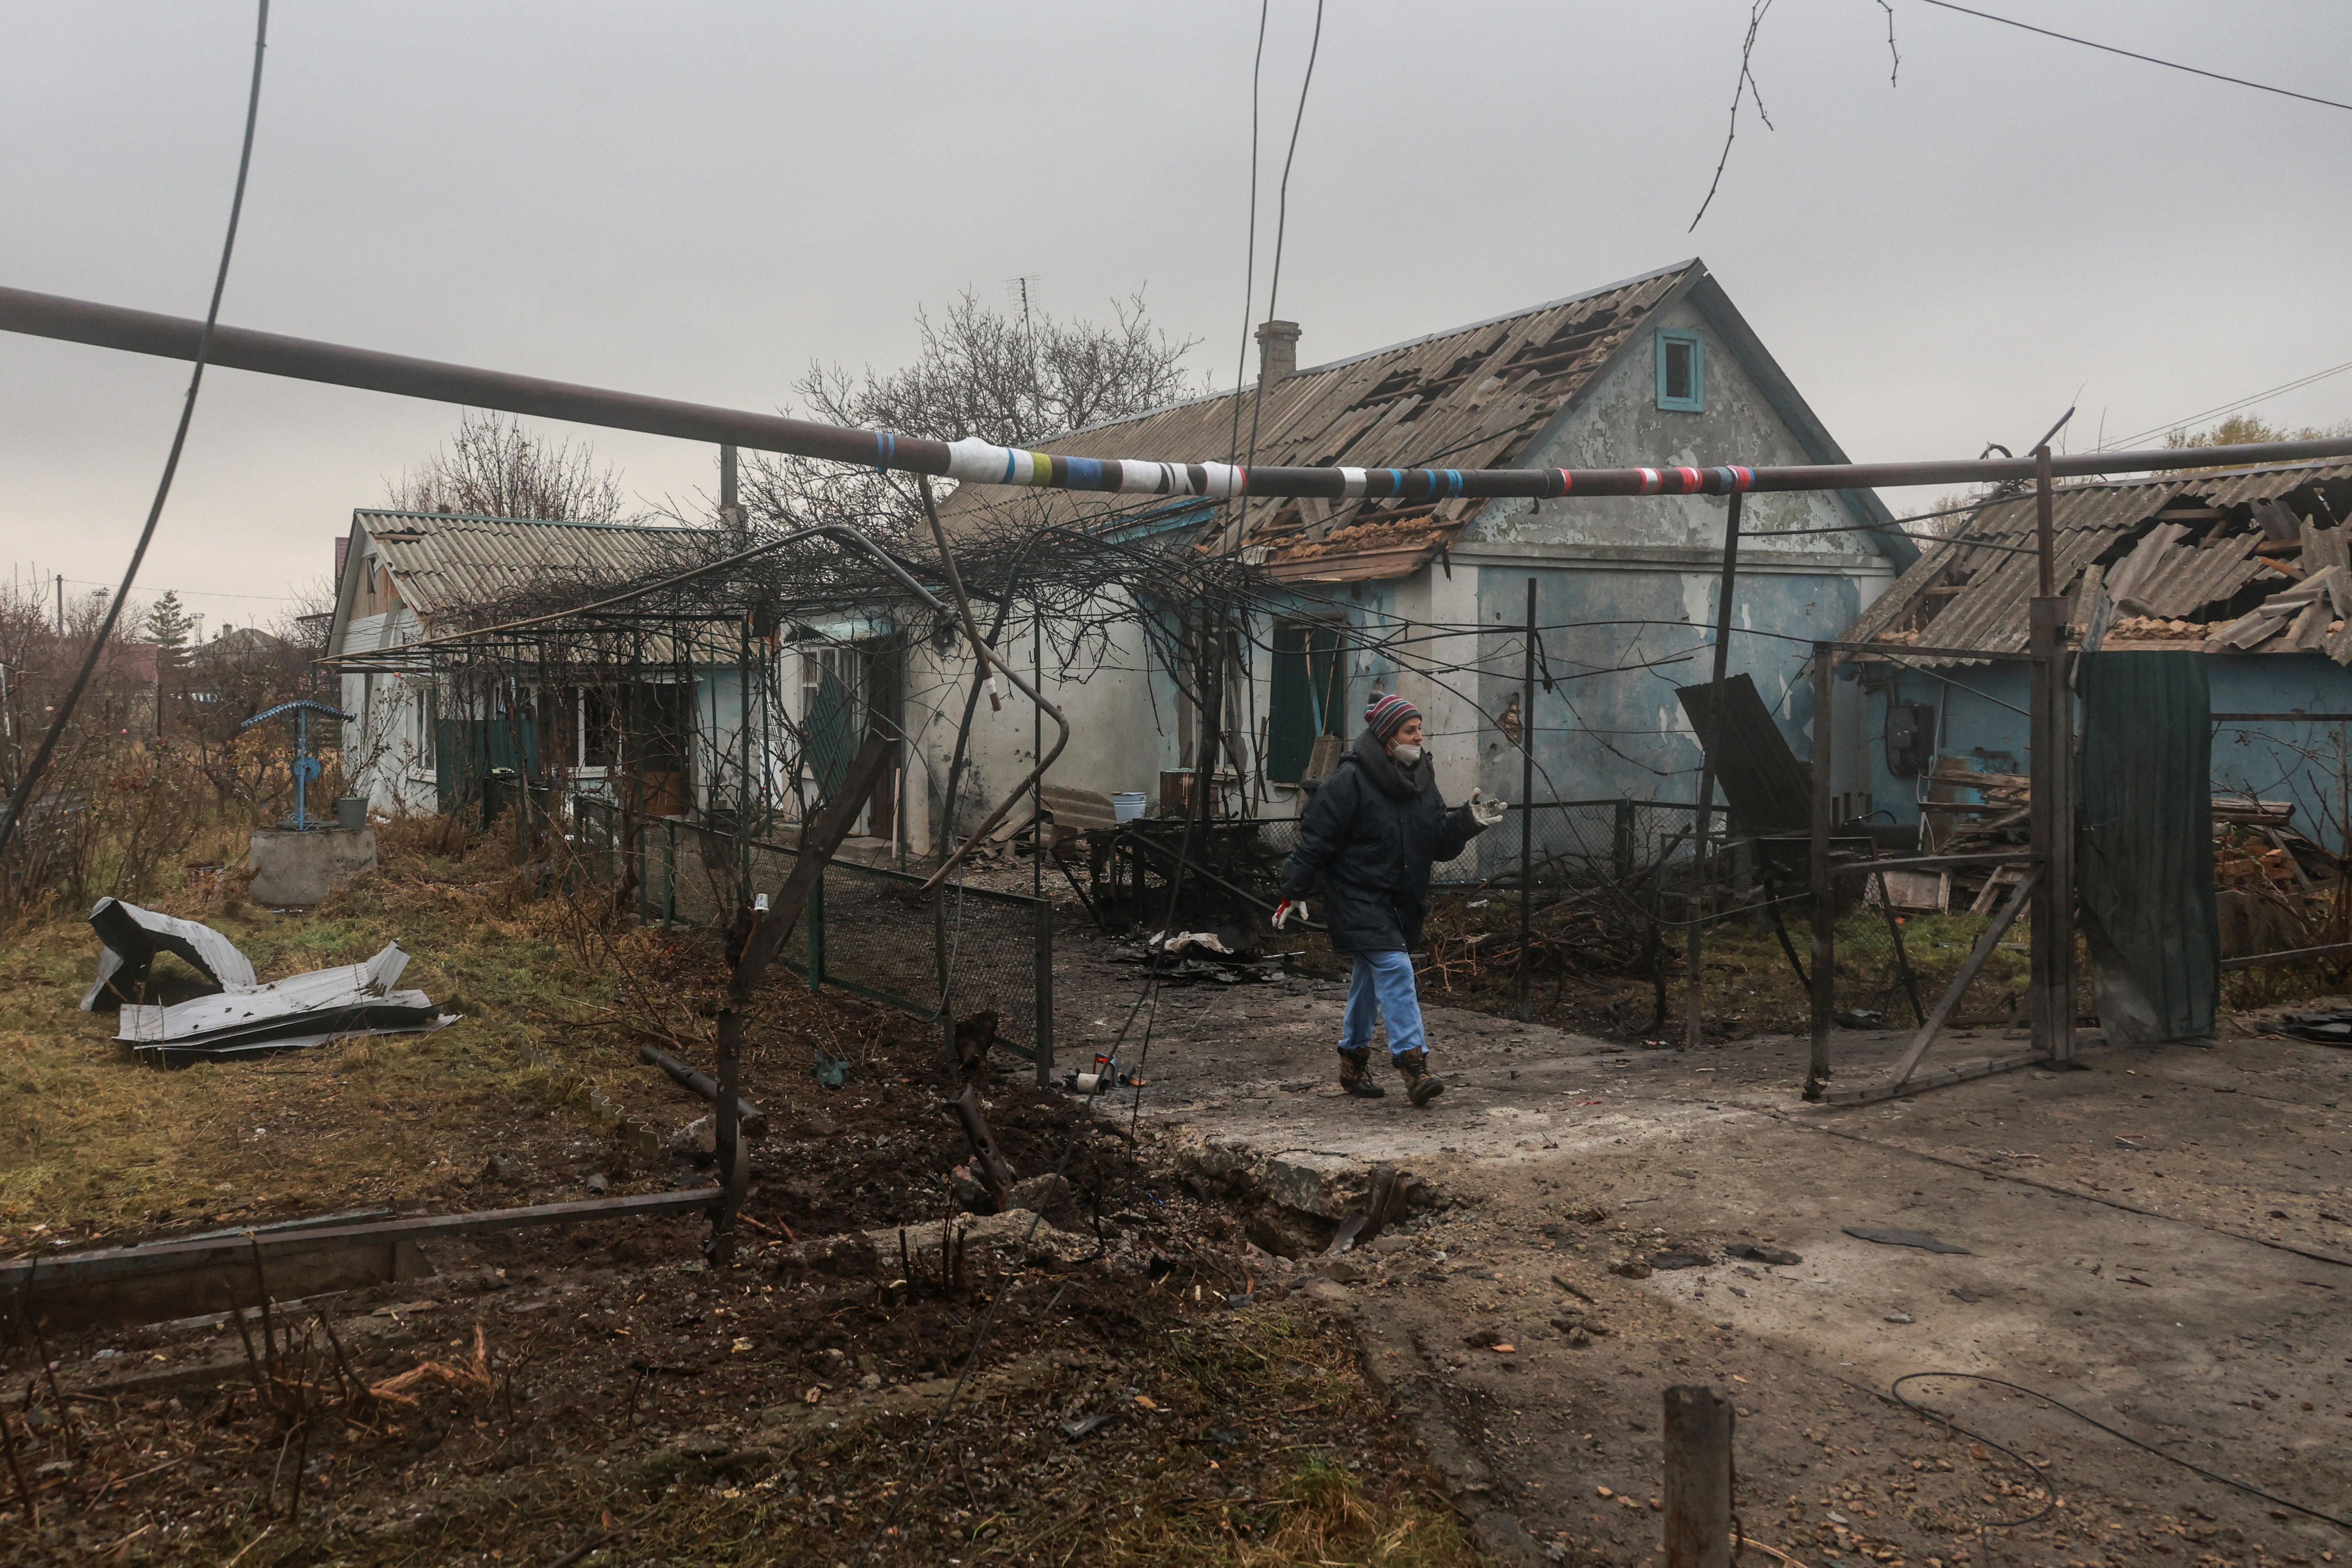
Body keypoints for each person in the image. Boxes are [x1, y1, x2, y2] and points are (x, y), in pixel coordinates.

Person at [1273, 692, 1506, 1106]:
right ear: (1386, 736)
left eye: (1419, 730)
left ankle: (1353, 1060)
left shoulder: (1421, 780)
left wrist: (1467, 822)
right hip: (1356, 896)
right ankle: (1413, 1065)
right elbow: (1316, 839)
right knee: (1396, 968)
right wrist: (1294, 889)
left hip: (1401, 899)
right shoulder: (1351, 780)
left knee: (1369, 977)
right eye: (1410, 730)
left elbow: (1436, 842)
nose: (1419, 737)